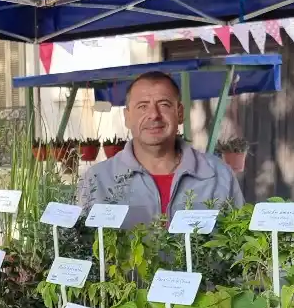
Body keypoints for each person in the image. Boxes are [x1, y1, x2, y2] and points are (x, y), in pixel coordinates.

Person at [78, 71, 244, 227]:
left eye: (164, 104)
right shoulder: (97, 180)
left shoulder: (218, 176)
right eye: (142, 106)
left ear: (180, 113)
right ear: (127, 117)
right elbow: (80, 247)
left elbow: (239, 247)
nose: (154, 115)